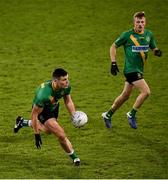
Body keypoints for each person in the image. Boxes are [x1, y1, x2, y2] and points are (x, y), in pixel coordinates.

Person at [102, 11, 162, 129]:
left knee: (125, 96)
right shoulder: (127, 35)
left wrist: (156, 51)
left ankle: (108, 115)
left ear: (145, 23)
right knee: (146, 92)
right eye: (138, 22)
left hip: (139, 69)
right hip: (131, 70)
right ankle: (131, 114)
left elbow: (153, 47)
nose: (140, 24)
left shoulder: (149, 34)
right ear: (134, 23)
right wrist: (113, 63)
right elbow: (113, 46)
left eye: (142, 22)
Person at [14, 68, 80, 166]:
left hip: (54, 106)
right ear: (55, 81)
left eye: (67, 79)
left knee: (49, 131)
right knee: (61, 135)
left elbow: (68, 101)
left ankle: (22, 122)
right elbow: (34, 115)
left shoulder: (66, 86)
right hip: (43, 109)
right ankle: (74, 157)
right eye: (64, 80)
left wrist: (74, 115)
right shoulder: (43, 95)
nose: (67, 82)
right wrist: (36, 135)